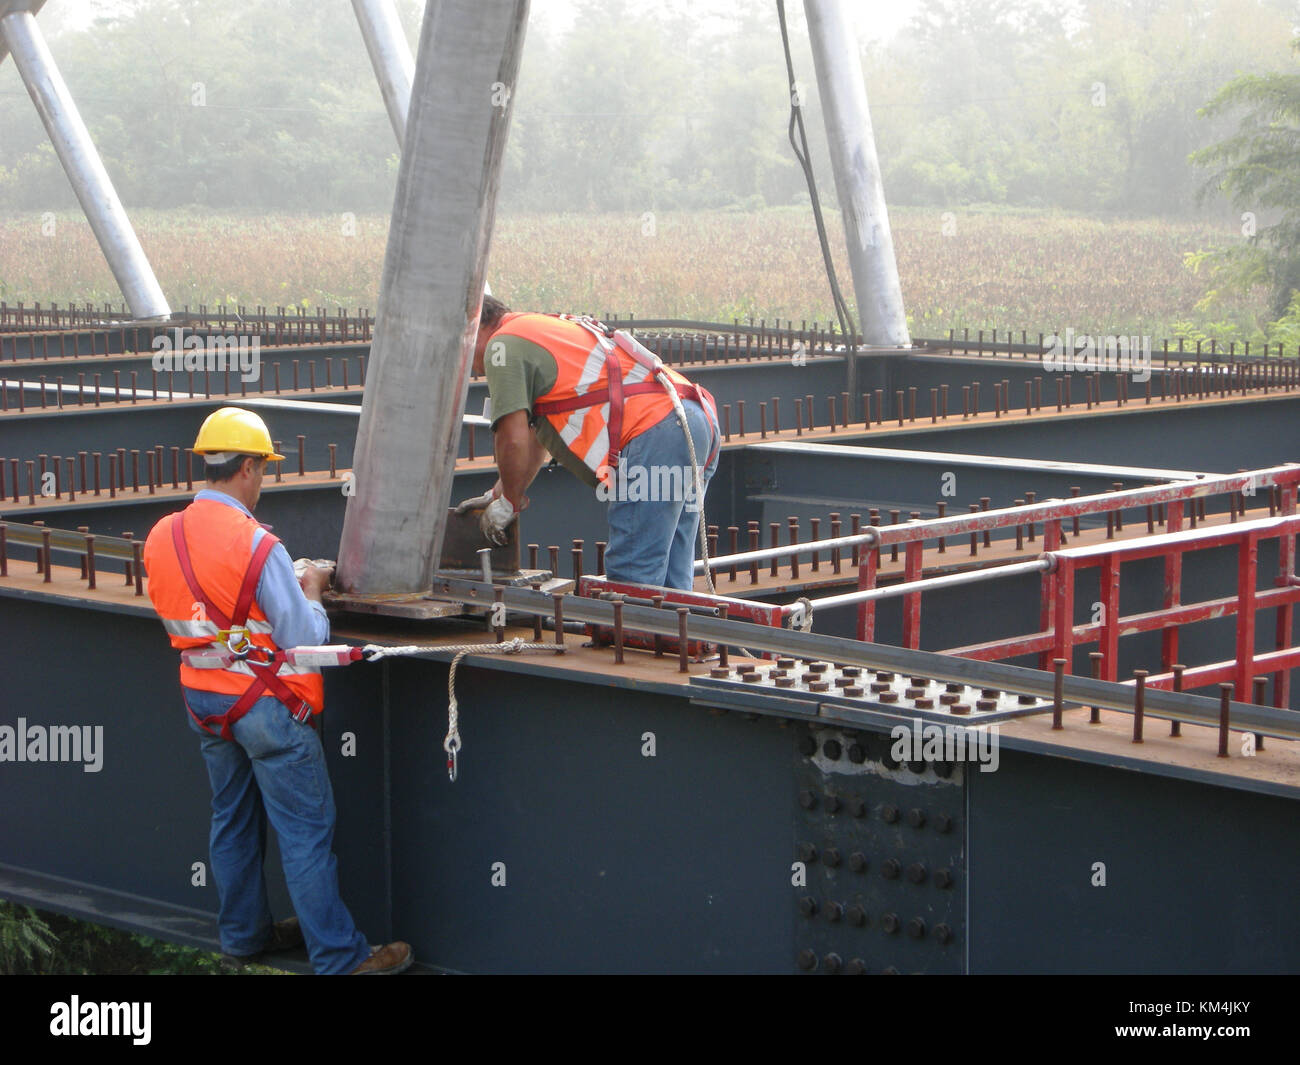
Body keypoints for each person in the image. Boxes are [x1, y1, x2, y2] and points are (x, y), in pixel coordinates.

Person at [143, 407, 412, 975]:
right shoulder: (258, 546)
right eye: (262, 468)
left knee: (232, 821)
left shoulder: (163, 534)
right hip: (267, 710)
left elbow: (197, 613)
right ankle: (339, 958)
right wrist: (310, 587)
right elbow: (302, 636)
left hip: (205, 702)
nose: (263, 480)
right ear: (245, 468)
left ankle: (244, 936)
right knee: (306, 835)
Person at [457, 297, 720, 591]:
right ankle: (671, 635)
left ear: (471, 326)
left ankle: (636, 633)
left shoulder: (502, 345)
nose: (471, 367)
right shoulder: (537, 328)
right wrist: (501, 493)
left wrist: (510, 504)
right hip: (692, 420)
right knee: (671, 575)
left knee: (634, 579)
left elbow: (512, 437)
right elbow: (533, 439)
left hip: (657, 434)